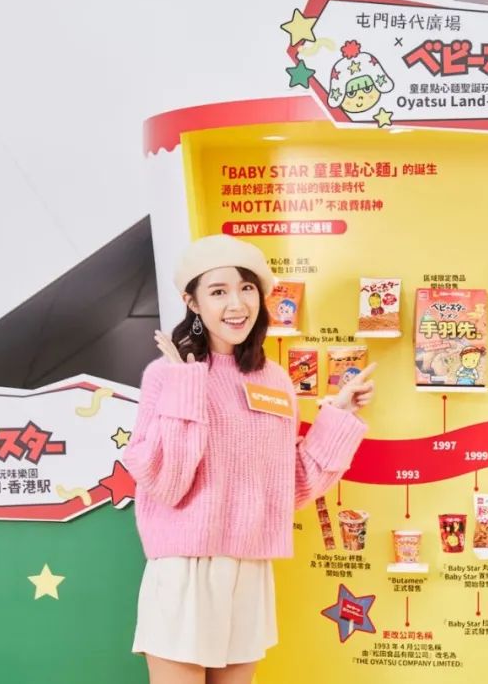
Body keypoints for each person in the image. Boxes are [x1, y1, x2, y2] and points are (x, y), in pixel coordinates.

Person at [124, 235, 375, 684]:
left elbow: (289, 486)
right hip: (186, 568)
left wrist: (338, 415)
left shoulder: (274, 380)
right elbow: (166, 482)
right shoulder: (166, 376)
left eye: (246, 288)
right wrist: (187, 382)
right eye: (218, 291)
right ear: (192, 302)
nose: (237, 304)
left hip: (251, 568)